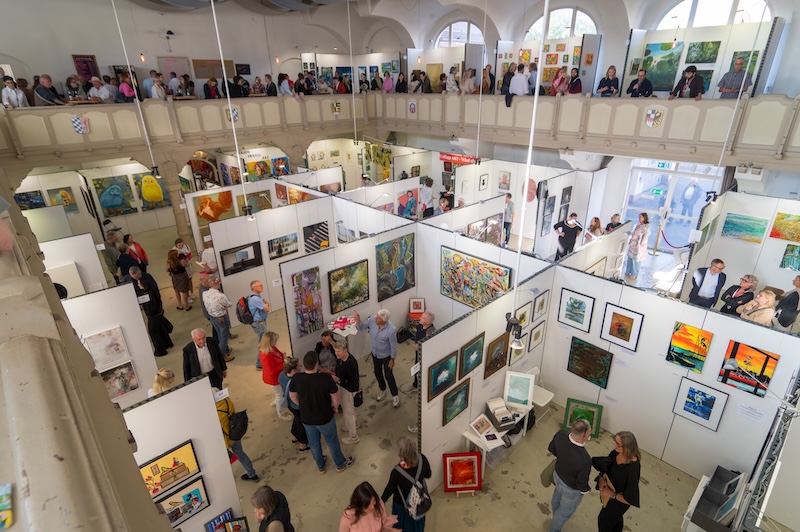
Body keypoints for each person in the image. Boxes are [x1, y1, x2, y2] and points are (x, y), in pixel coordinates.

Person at [288, 351, 355, 474]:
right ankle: (340, 464)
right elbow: (335, 398)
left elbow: (292, 396)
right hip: (325, 417)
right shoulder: (325, 378)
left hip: (307, 418)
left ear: (304, 364)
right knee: (332, 441)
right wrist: (335, 408)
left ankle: (321, 466)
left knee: (314, 443)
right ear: (316, 364)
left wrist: (302, 406)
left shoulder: (297, 378)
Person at [548, 419, 592, 532]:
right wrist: (587, 490)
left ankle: (555, 517)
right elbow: (581, 484)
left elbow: (551, 448)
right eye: (589, 433)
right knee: (564, 513)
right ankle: (554, 529)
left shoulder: (561, 434)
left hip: (557, 476)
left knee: (557, 498)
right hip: (570, 489)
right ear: (584, 436)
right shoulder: (585, 459)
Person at [381, 436, 431, 532]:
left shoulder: (397, 472)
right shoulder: (422, 459)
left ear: (401, 454)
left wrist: (381, 502)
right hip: (419, 502)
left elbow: (389, 490)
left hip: (402, 506)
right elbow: (428, 475)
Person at [594, 431, 641, 532]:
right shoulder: (616, 452)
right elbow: (606, 467)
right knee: (616, 520)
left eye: (618, 444)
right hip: (609, 493)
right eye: (615, 441)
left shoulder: (632, 469)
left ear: (628, 448)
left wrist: (612, 494)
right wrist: (601, 479)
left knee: (603, 521)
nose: (614, 445)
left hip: (619, 501)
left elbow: (630, 499)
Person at [354, 309, 399, 407]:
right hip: (375, 354)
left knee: (389, 376)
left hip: (386, 356)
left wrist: (392, 359)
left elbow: (394, 346)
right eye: (377, 316)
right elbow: (361, 328)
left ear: (384, 320)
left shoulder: (391, 329)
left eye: (378, 318)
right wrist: (358, 320)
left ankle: (395, 395)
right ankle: (383, 389)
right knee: (377, 373)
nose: (375, 318)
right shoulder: (372, 319)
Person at [214, 387, 260, 482]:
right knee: (241, 454)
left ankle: (226, 479)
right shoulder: (227, 401)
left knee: (224, 460)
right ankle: (252, 474)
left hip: (225, 440)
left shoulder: (215, 412)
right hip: (235, 433)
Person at [128, 266, 174, 356]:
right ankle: (167, 343)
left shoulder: (147, 278)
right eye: (134, 278)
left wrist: (144, 289)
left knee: (153, 331)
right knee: (159, 326)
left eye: (137, 277)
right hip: (148, 308)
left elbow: (154, 292)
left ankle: (160, 351)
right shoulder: (131, 281)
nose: (136, 280)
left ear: (139, 272)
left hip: (154, 309)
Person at [279, 357, 310, 452]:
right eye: (299, 366)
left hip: (289, 404)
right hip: (297, 405)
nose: (301, 366)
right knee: (302, 424)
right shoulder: (297, 381)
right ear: (293, 370)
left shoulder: (282, 375)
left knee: (297, 419)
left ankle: (294, 437)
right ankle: (303, 445)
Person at [260, 332, 293, 421]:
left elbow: (279, 354)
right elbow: (271, 371)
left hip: (277, 376)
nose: (276, 342)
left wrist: (283, 356)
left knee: (278, 393)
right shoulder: (266, 355)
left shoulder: (272, 348)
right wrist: (284, 364)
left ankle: (276, 402)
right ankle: (281, 413)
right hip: (274, 379)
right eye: (275, 341)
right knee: (280, 396)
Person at [333, 340, 360, 444]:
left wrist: (338, 380)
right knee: (347, 409)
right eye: (335, 351)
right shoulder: (341, 359)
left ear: (345, 350)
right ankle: (354, 424)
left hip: (348, 390)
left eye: (339, 351)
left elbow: (354, 381)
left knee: (349, 413)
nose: (337, 354)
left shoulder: (350, 363)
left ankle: (353, 437)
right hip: (343, 388)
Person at [203, 274, 233, 358]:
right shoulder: (220, 296)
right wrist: (224, 307)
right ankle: (221, 355)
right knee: (224, 337)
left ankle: (224, 350)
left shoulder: (205, 293)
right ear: (218, 283)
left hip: (212, 318)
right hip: (221, 318)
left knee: (219, 334)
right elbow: (229, 304)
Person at [248, 279, 271, 369]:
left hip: (259, 323)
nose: (262, 287)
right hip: (260, 324)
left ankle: (262, 361)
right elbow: (267, 309)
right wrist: (266, 304)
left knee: (263, 342)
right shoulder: (256, 299)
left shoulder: (252, 297)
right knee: (263, 343)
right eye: (260, 285)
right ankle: (259, 363)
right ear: (254, 288)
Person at [624, 213, 650, 280]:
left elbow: (645, 238)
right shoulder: (638, 225)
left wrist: (640, 245)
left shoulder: (646, 227)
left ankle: (634, 274)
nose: (639, 218)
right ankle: (628, 271)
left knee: (635, 261)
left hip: (638, 247)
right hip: (633, 245)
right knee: (630, 259)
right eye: (639, 217)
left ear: (644, 218)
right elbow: (634, 233)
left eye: (640, 217)